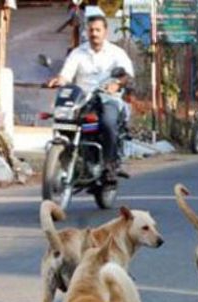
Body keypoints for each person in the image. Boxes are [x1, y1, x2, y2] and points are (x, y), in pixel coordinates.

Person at [47, 11, 134, 179]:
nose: (94, 33)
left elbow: (127, 75)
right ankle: (73, 158)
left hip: (108, 98)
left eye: (97, 30)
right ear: (87, 32)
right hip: (82, 99)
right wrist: (58, 80)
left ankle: (110, 164)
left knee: (108, 123)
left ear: (105, 32)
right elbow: (66, 75)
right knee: (64, 122)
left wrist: (117, 83)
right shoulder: (78, 53)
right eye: (91, 30)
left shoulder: (116, 53)